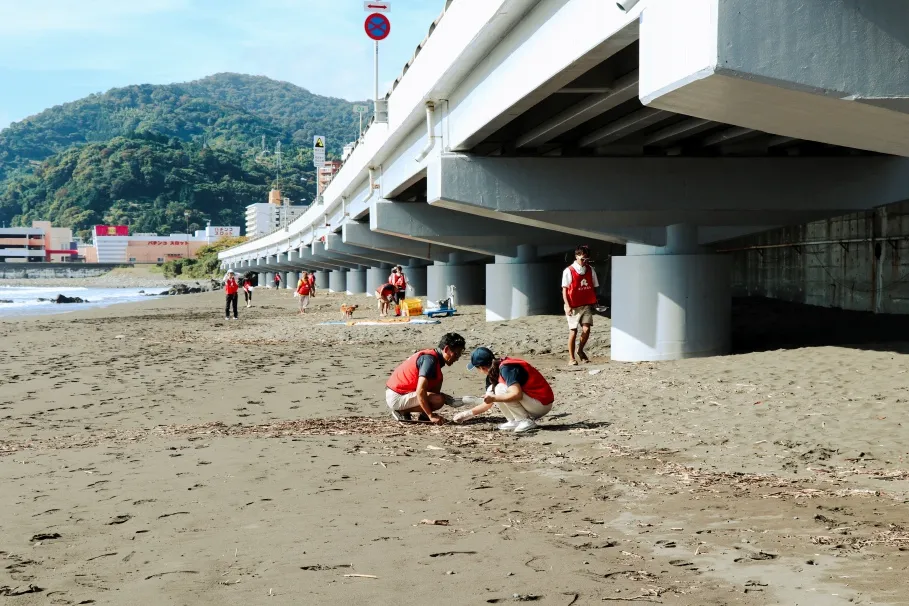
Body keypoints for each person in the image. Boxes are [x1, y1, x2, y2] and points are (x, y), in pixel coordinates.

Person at [453, 347, 554, 433]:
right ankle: (514, 420)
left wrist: (494, 398)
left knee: (500, 389)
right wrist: (465, 415)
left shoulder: (507, 369)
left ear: (482, 368)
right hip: (532, 403)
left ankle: (524, 420)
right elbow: (487, 404)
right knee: (496, 390)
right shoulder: (492, 375)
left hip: (541, 403)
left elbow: (517, 395)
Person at [385, 333, 466, 424]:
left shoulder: (433, 359)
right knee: (439, 400)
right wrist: (431, 415)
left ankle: (423, 415)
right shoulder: (430, 360)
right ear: (446, 349)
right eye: (456, 354)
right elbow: (421, 390)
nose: (457, 358)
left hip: (401, 393)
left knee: (438, 382)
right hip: (397, 396)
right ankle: (402, 411)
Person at [562, 245, 599, 365]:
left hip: (586, 305)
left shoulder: (590, 270)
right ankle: (571, 358)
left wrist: (595, 301)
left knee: (586, 329)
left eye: (586, 259)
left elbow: (593, 286)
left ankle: (580, 350)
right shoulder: (568, 271)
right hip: (573, 306)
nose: (584, 261)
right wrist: (567, 306)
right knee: (573, 331)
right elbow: (564, 290)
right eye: (582, 259)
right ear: (576, 256)